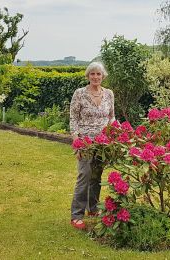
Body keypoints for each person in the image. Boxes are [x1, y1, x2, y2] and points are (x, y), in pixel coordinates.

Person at [69, 62, 115, 229]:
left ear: (103, 76)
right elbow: (73, 118)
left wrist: (114, 131)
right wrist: (76, 140)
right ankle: (76, 214)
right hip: (85, 142)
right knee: (85, 176)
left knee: (96, 175)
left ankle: (93, 208)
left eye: (98, 74)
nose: (96, 77)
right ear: (88, 76)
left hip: (103, 142)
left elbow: (111, 117)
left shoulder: (109, 94)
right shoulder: (79, 94)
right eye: (92, 74)